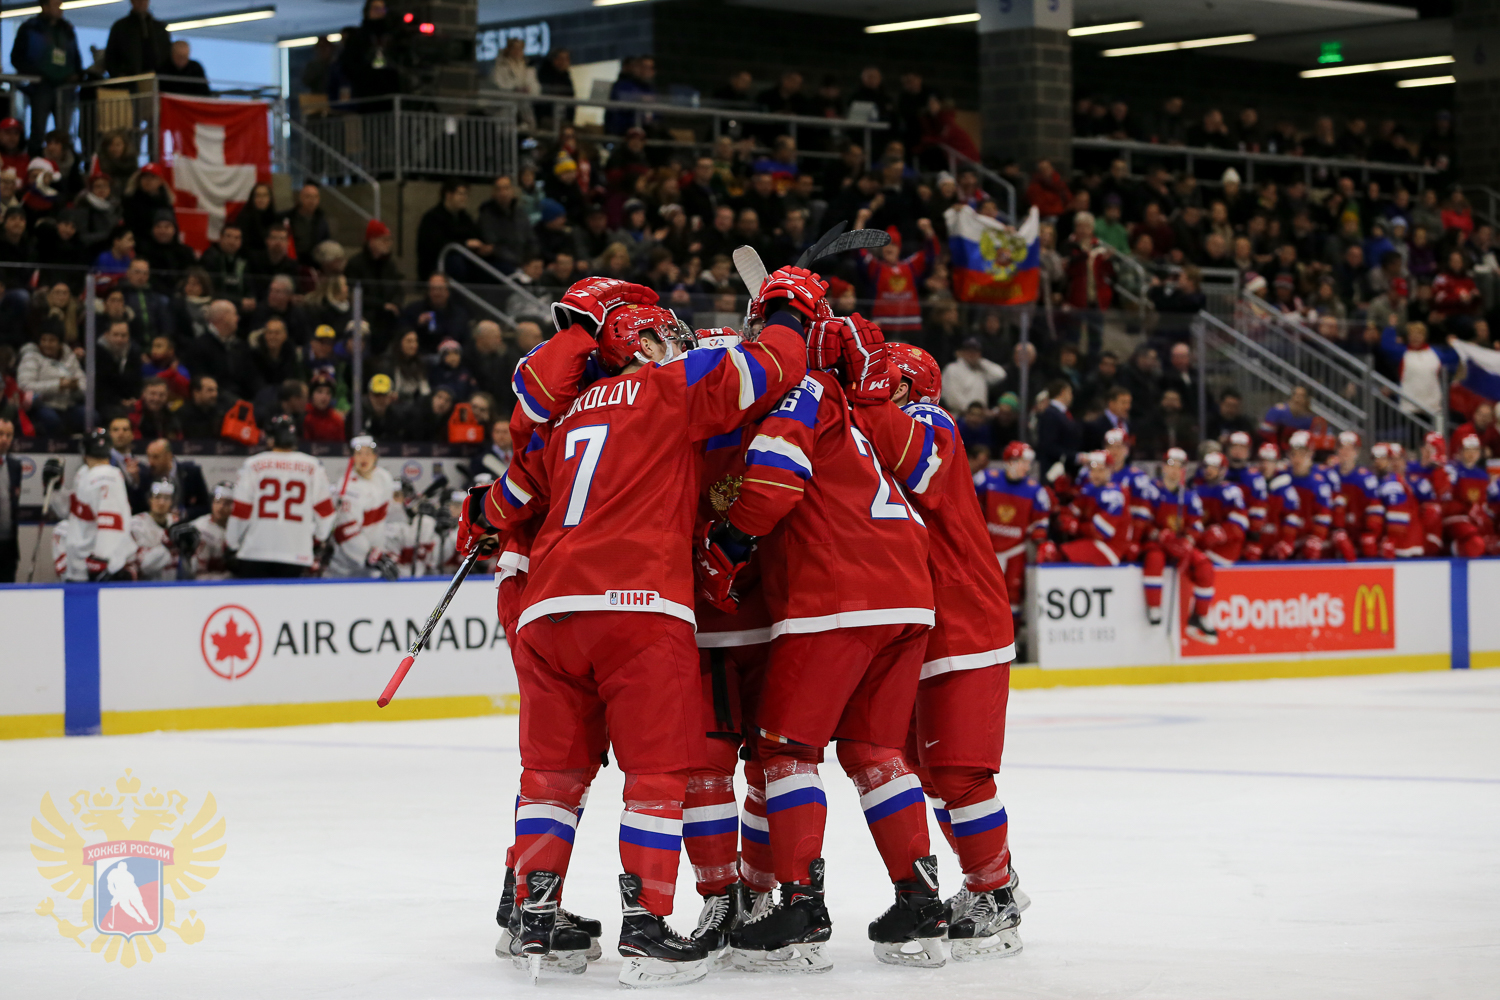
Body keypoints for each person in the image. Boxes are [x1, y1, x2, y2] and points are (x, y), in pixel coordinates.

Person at [459, 276, 805, 985]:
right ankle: (645, 927)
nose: (674, 343)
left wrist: (479, 516)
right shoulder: (670, 388)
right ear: (637, 342)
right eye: (661, 335)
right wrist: (789, 311)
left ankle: (534, 916)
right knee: (656, 775)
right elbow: (771, 366)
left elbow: (514, 492)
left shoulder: (564, 412)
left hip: (549, 609)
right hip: (637, 606)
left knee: (553, 774)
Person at [844, 340, 1024, 958]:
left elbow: (912, 464)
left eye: (882, 380)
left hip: (963, 624)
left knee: (959, 773)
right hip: (920, 625)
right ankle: (991, 881)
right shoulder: (879, 427)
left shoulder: (930, 420)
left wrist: (861, 393)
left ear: (904, 386)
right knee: (926, 772)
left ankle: (995, 893)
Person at [226, 414, 334, 576]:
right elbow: (325, 512)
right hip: (296, 553)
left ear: (270, 439)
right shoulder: (313, 466)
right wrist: (318, 539)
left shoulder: (253, 464)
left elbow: (241, 510)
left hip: (256, 551)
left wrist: (232, 543)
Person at [1137, 449, 1218, 642]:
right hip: (1156, 544)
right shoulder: (1150, 491)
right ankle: (1154, 607)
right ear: (1163, 467)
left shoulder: (1189, 496)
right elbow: (1141, 522)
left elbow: (1196, 525)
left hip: (1177, 544)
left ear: (1184, 470)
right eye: (1170, 465)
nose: (1174, 470)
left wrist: (1188, 540)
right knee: (1155, 559)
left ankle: (1200, 616)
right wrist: (1158, 534)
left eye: (1179, 467)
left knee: (1204, 566)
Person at [10, 0, 83, 155]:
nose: (60, 9)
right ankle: (35, 160)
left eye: (60, 4)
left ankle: (64, 163)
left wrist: (77, 74)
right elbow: (16, 58)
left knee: (64, 131)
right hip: (41, 86)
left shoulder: (67, 29)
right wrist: (35, 73)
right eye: (55, 4)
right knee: (38, 128)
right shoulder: (31, 28)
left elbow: (76, 56)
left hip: (64, 86)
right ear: (45, 6)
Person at [63, 428, 134, 580]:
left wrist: (104, 560)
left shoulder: (107, 476)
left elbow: (110, 522)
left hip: (97, 568)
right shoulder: (83, 473)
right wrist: (56, 488)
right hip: (80, 565)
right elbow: (71, 511)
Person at [326, 434, 396, 578]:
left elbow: (387, 517)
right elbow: (346, 532)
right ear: (352, 458)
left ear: (375, 456)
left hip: (374, 563)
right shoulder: (348, 487)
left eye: (368, 453)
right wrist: (371, 556)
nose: (364, 458)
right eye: (359, 453)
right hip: (345, 568)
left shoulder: (384, 478)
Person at [417, 179, 486, 280]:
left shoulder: (465, 218)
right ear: (448, 195)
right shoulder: (432, 218)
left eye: (466, 194)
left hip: (464, 260)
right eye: (460, 194)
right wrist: (465, 244)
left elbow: (476, 236)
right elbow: (435, 245)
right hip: (437, 265)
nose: (464, 198)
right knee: (457, 264)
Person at [104, 0, 170, 81]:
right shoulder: (121, 27)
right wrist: (119, 75)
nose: (141, 3)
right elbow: (111, 55)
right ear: (132, 2)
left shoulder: (158, 27)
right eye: (138, 1)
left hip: (157, 78)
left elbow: (166, 52)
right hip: (129, 79)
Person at [129, 478, 180, 580]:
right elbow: (144, 566)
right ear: (150, 499)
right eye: (157, 497)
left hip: (173, 585)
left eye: (166, 498)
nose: (161, 502)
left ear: (172, 502)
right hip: (146, 586)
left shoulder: (177, 523)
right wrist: (167, 543)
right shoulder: (136, 524)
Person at [184, 481, 234, 579]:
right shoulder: (199, 528)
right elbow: (198, 575)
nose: (221, 507)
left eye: (227, 503)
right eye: (217, 501)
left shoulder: (240, 529)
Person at [940, 338, 1005, 413]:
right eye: (969, 351)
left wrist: (981, 361)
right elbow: (952, 398)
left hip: (980, 416)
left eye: (976, 352)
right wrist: (973, 412)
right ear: (962, 352)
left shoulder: (981, 369)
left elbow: (1001, 374)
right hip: (958, 416)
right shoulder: (952, 369)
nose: (972, 354)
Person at [283, 183, 330, 261]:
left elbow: (326, 240)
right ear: (300, 198)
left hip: (314, 260)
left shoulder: (321, 220)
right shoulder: (288, 217)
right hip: (292, 259)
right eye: (308, 196)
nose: (312, 200)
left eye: (315, 197)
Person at [0, 416, 19, 582]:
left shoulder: (14, 465)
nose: (5, 439)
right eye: (0, 434)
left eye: (9, 435)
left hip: (8, 546)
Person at [178, 375, 225, 440]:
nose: (215, 394)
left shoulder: (220, 412)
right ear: (196, 393)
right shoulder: (182, 414)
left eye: (216, 390)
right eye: (210, 390)